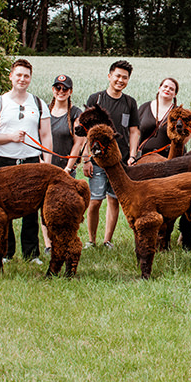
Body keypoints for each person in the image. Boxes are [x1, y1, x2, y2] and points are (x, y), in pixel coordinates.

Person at [0, 59, 52, 264]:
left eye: (26, 76)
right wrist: (10, 137)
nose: (22, 79)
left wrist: (46, 162)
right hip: (5, 161)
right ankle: (6, 252)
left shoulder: (38, 103)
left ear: (30, 78)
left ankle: (31, 254)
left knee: (31, 208)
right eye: (19, 75)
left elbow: (46, 135)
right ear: (11, 76)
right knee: (4, 209)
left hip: (31, 162)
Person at [82, 60, 140, 249]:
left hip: (120, 161)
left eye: (125, 77)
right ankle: (91, 240)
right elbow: (85, 130)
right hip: (97, 159)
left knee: (114, 200)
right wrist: (86, 158)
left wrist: (132, 155)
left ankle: (108, 240)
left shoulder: (130, 103)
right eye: (117, 76)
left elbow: (134, 131)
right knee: (95, 200)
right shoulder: (96, 100)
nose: (120, 80)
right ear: (109, 76)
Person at [41, 74, 85, 256]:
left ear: (70, 92)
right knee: (45, 208)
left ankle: (64, 242)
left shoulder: (76, 114)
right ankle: (48, 245)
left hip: (66, 169)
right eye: (57, 88)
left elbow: (78, 142)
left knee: (64, 208)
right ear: (53, 90)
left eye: (64, 88)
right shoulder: (44, 111)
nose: (61, 91)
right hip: (45, 168)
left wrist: (68, 167)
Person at [137, 77, 179, 159]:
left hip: (169, 160)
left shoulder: (178, 113)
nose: (167, 90)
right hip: (144, 158)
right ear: (159, 89)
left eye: (171, 89)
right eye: (165, 86)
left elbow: (188, 134)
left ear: (175, 94)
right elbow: (134, 132)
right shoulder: (144, 107)